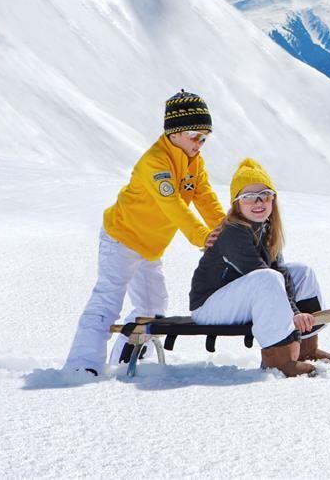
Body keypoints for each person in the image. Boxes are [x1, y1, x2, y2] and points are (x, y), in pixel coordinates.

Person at [65, 90, 225, 376]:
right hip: (122, 239)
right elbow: (172, 205)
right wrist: (202, 236)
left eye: (204, 138)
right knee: (107, 300)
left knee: (152, 309)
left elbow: (206, 199)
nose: (200, 143)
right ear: (175, 133)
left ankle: (126, 360)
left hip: (150, 248)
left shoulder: (194, 163)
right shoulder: (155, 162)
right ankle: (82, 366)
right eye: (195, 136)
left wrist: (226, 231)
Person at [189, 158, 330, 378]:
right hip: (209, 307)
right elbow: (260, 274)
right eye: (248, 197)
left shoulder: (265, 229)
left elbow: (281, 274)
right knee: (267, 278)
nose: (258, 202)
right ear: (237, 203)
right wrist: (294, 313)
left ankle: (306, 348)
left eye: (264, 195)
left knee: (301, 273)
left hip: (240, 299)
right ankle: (279, 360)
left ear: (273, 199)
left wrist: (296, 313)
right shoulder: (233, 232)